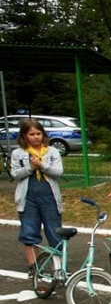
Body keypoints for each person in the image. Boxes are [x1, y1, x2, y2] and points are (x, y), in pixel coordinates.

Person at [10, 118, 64, 276]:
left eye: (38, 133)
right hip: (28, 198)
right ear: (24, 136)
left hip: (49, 196)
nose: (35, 137)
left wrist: (42, 165)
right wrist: (30, 168)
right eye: (31, 134)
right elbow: (15, 174)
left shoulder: (52, 151)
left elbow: (58, 172)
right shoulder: (18, 153)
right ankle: (34, 266)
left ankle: (58, 266)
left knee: (54, 231)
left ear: (43, 134)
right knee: (29, 231)